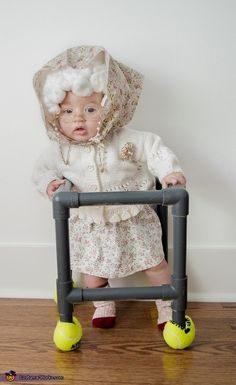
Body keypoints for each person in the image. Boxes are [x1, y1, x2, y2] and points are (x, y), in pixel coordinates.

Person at [32, 45, 186, 330]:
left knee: (155, 264)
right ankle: (103, 303)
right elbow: (41, 171)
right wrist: (50, 184)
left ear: (110, 107)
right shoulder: (60, 149)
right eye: (68, 111)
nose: (79, 118)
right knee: (93, 273)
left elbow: (155, 150)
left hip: (133, 218)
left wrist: (170, 172)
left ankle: (167, 303)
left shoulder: (128, 139)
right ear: (55, 115)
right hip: (91, 224)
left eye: (90, 109)